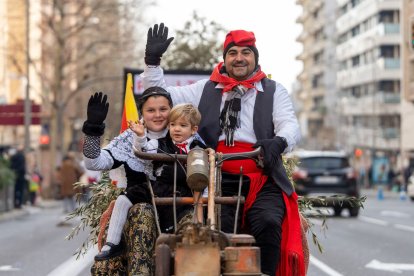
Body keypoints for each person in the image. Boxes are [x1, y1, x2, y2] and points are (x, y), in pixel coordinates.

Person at [141, 23, 305, 275]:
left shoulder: (274, 91)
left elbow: (290, 126)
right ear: (225, 58)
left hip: (262, 176)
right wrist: (153, 62)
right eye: (233, 53)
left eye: (245, 52)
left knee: (270, 223)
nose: (239, 58)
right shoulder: (205, 88)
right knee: (216, 232)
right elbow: (161, 97)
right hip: (215, 177)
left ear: (255, 57)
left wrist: (279, 142)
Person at [82, 88, 173, 273]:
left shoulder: (185, 134)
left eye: (163, 109)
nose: (157, 115)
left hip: (175, 210)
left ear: (171, 109)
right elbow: (94, 163)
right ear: (142, 113)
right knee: (142, 212)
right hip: (138, 214)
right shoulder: (128, 140)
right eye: (151, 110)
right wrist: (93, 129)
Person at [130, 103, 205, 233]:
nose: (176, 129)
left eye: (182, 125)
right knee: (131, 202)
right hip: (162, 196)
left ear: (194, 129)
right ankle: (113, 242)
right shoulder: (159, 144)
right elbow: (144, 152)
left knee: (190, 229)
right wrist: (141, 136)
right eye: (172, 124)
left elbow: (206, 177)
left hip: (187, 201)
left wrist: (206, 197)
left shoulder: (199, 149)